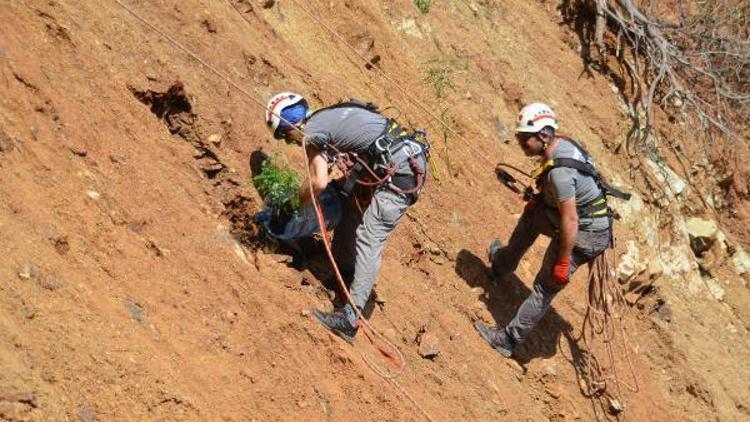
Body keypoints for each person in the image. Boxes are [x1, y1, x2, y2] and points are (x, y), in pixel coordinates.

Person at [265, 92, 429, 342]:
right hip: (401, 159)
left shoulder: (311, 133)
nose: (288, 142)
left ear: (290, 126)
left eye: (283, 136)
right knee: (348, 204)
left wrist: (288, 207)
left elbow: (317, 183)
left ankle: (350, 319)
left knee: (369, 236)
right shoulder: (328, 116)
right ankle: (344, 271)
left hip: (400, 171)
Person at [475, 102, 615, 358]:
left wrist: (563, 262)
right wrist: (541, 200)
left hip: (586, 234)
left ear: (542, 136)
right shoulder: (560, 146)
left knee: (546, 286)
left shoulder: (561, 173)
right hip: (578, 220)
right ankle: (500, 265)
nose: (519, 142)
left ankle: (507, 340)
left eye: (523, 139)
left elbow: (570, 220)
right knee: (532, 216)